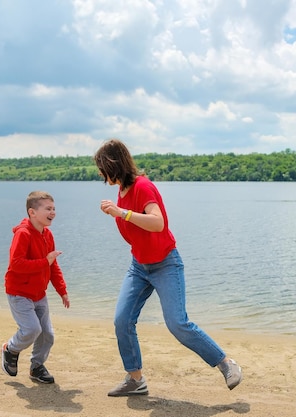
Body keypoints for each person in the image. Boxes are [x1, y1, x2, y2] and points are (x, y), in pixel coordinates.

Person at [94, 138, 242, 397]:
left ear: (112, 165)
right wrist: (119, 211)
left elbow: (157, 223)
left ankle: (226, 364)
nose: (100, 174)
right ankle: (135, 379)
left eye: (101, 168)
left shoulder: (143, 186)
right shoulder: (122, 191)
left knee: (177, 323)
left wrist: (121, 213)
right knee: (122, 320)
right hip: (138, 267)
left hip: (165, 264)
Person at [1, 191, 70, 384]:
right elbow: (16, 264)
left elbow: (52, 265)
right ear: (32, 212)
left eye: (54, 208)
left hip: (39, 294)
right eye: (48, 209)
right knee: (31, 329)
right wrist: (44, 262)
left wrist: (62, 290)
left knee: (47, 335)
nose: (53, 212)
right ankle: (10, 349)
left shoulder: (47, 234)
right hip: (19, 292)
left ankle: (37, 367)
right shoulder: (23, 234)